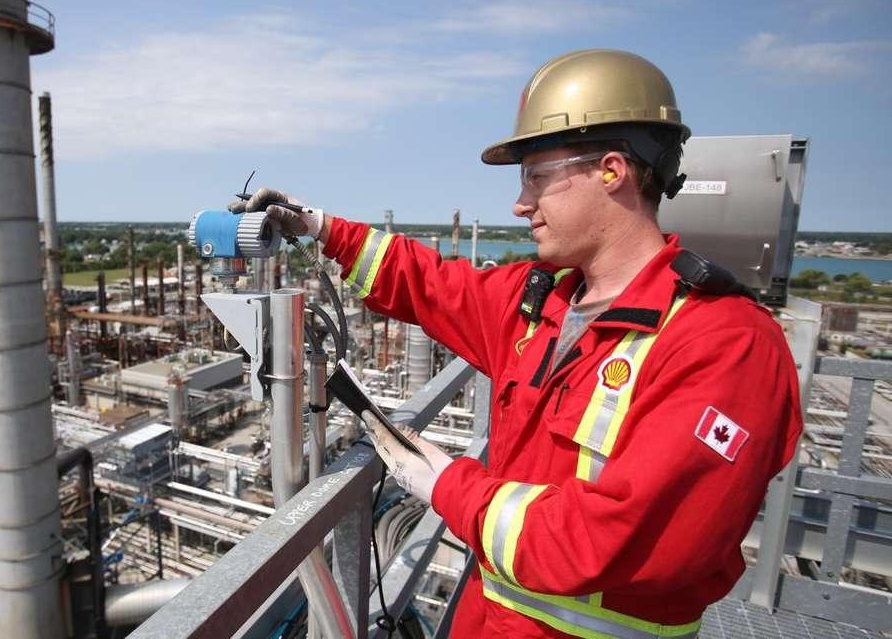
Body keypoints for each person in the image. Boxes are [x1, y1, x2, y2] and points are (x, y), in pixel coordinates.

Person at [233, 49, 803, 639]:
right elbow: (425, 282)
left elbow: (606, 541)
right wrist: (318, 226)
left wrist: (449, 485)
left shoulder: (725, 346)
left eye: (537, 175)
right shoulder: (540, 306)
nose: (520, 202)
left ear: (612, 171)